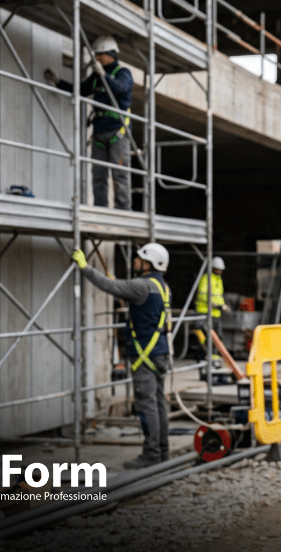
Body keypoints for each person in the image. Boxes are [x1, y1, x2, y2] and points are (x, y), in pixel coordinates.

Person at [71, 242, 172, 469]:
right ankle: (162, 451)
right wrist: (121, 284)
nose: (135, 261)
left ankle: (152, 453)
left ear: (148, 263)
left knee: (147, 405)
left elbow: (109, 286)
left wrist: (85, 267)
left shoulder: (140, 286)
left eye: (139, 258)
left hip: (145, 355)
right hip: (159, 352)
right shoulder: (162, 286)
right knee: (157, 403)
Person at [45, 35, 133, 209]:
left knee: (120, 174)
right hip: (99, 133)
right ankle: (101, 208)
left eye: (101, 54)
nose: (98, 58)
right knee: (98, 175)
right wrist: (58, 82)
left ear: (112, 54)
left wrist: (103, 75)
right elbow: (80, 90)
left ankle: (124, 211)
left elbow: (119, 87)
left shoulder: (123, 73)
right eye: (96, 55)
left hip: (118, 133)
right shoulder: (95, 77)